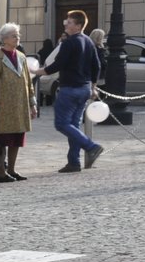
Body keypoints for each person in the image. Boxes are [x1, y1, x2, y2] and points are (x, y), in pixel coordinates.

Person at [45, 10, 105, 174]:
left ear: (78, 25)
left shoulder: (70, 42)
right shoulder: (88, 41)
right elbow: (97, 66)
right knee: (73, 125)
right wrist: (93, 86)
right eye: (67, 21)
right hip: (84, 89)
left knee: (62, 124)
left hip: (69, 88)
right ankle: (74, 162)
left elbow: (58, 64)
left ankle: (91, 147)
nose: (66, 24)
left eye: (69, 22)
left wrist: (40, 72)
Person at [0, 23, 36, 182]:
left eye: (18, 35)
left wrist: (32, 103)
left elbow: (28, 81)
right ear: (4, 39)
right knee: (2, 140)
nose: (17, 38)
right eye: (14, 35)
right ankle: (0, 172)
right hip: (3, 107)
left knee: (16, 139)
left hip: (19, 106)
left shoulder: (21, 56)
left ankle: (12, 169)